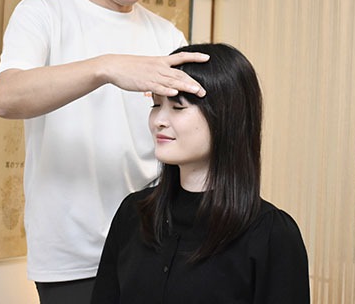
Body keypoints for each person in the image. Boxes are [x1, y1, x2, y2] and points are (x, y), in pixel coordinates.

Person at [0, 0, 208, 304]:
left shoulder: (167, 36)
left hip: (153, 244)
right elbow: (6, 97)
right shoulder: (44, 14)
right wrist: (106, 68)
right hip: (71, 257)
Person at [91, 43, 310, 304]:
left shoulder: (271, 235)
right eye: (156, 105)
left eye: (178, 107)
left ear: (225, 118)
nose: (159, 120)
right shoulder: (133, 214)